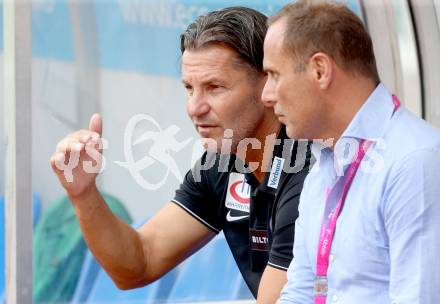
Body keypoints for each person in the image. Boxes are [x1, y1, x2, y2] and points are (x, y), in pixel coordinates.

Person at [50, 7, 312, 303]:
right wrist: (83, 194)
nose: (194, 108)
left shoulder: (308, 166)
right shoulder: (223, 161)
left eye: (214, 87)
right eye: (190, 89)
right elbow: (138, 264)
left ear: (268, 84)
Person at [261, 1, 440, 303]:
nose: (266, 95)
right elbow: (302, 291)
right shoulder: (322, 168)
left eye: (274, 75)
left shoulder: (415, 162)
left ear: (320, 70)